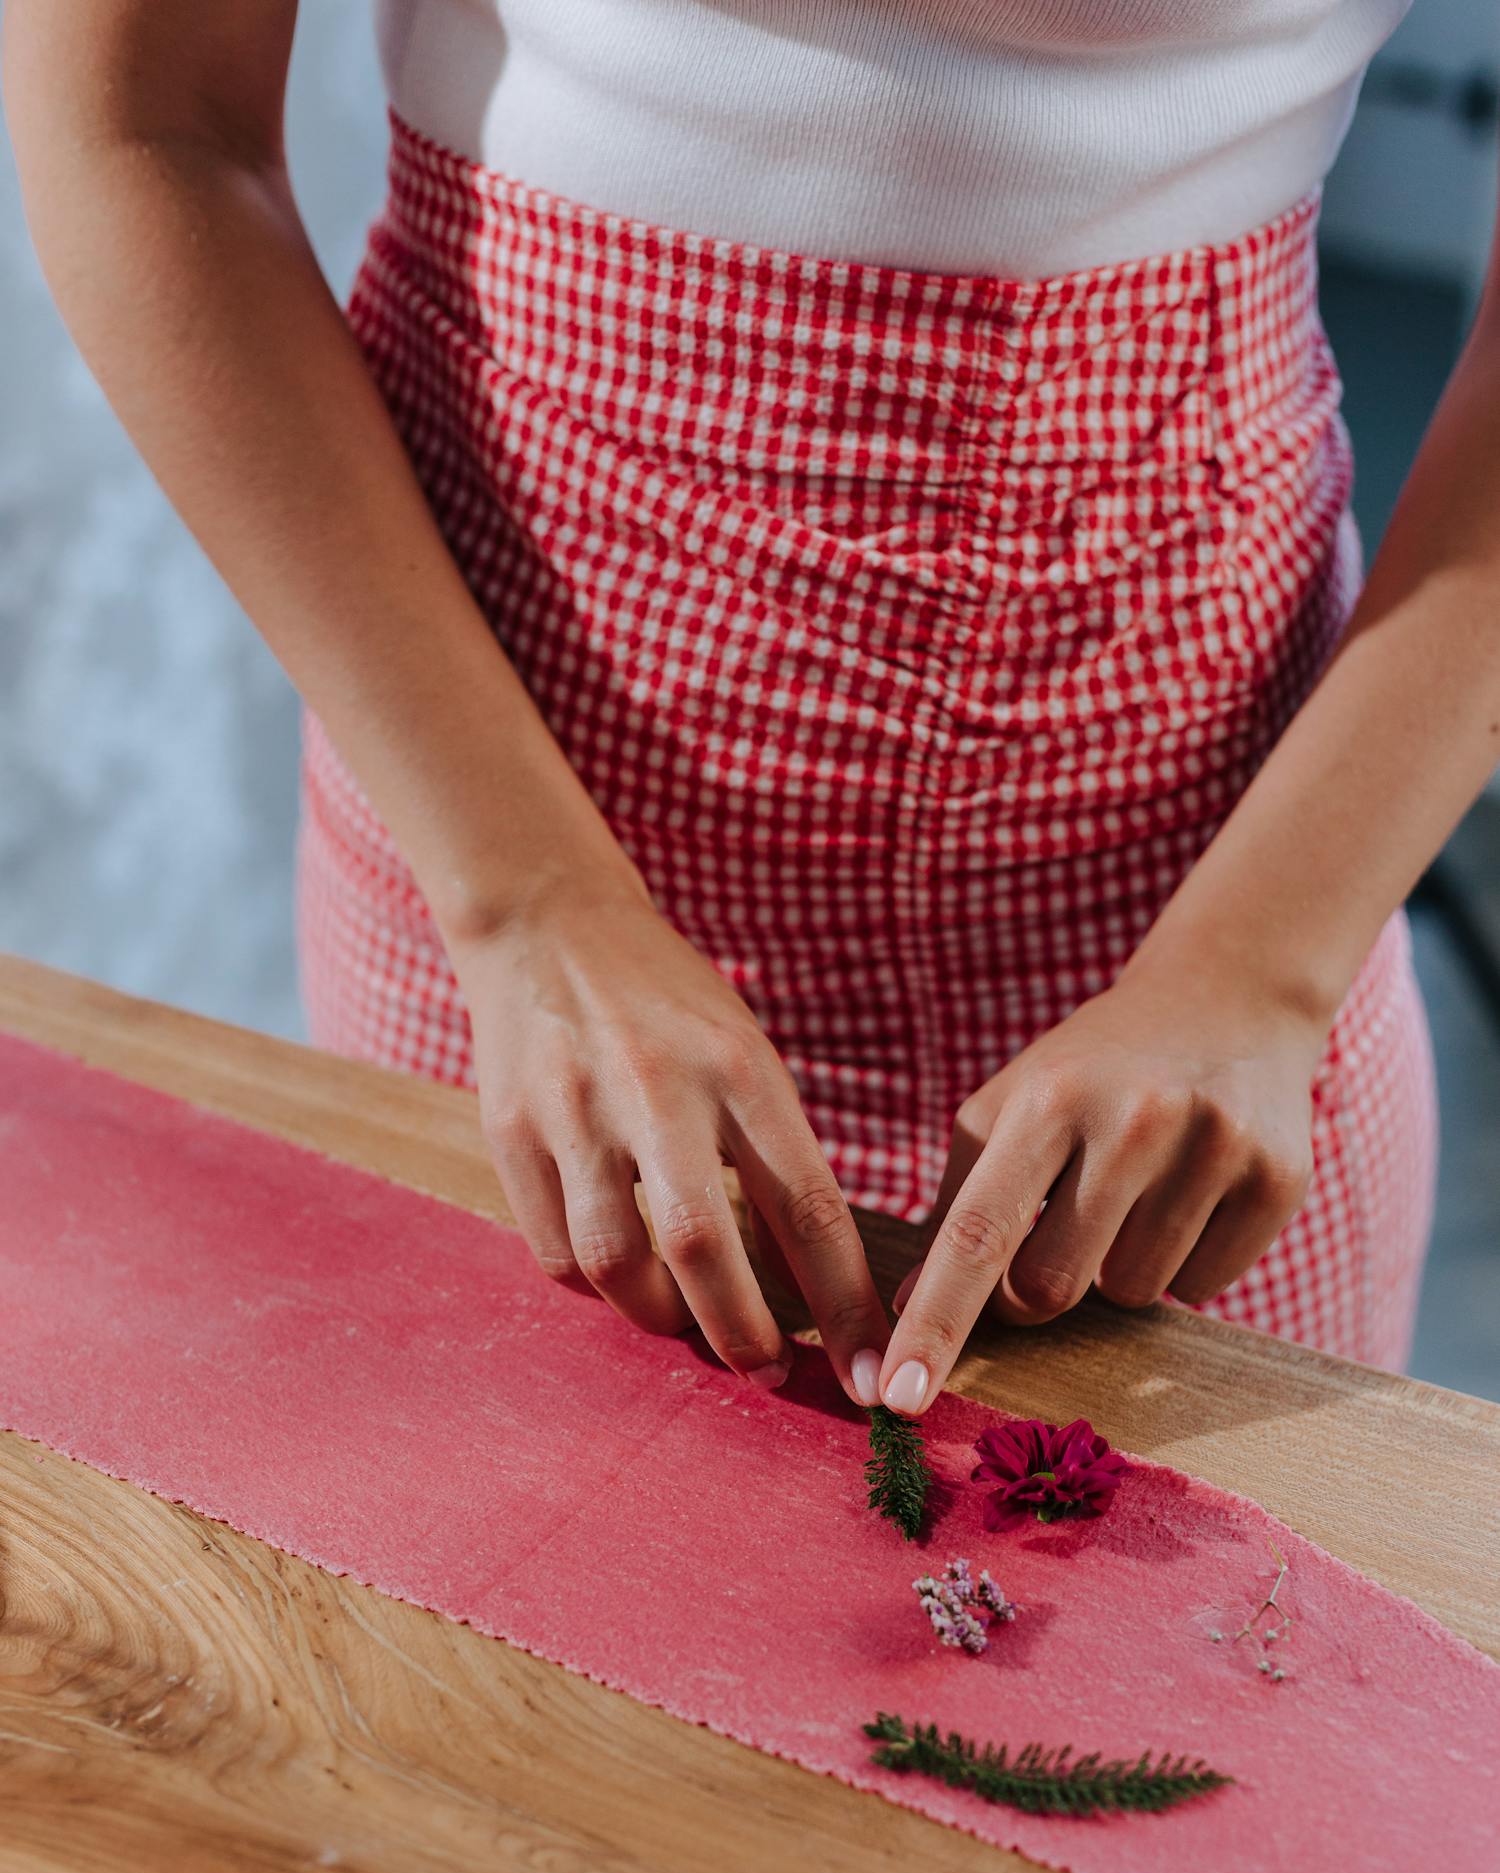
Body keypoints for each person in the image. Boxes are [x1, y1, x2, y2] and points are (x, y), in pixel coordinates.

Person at [8, 2, 1497, 1424]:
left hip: (1223, 923)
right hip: (502, 871)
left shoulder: (1248, 971)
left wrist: (1263, 971)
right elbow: (147, 118)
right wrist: (523, 902)